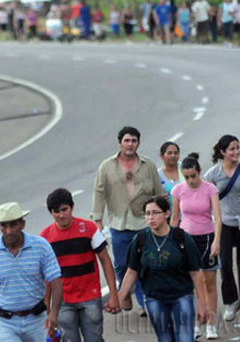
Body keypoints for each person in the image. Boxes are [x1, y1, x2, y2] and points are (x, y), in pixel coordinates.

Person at [91, 126, 162, 316]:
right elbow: (99, 192)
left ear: (138, 143)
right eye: (127, 140)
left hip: (144, 223)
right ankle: (125, 291)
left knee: (144, 263)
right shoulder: (107, 166)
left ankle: (143, 302)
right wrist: (98, 221)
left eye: (134, 141)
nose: (130, 144)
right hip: (119, 223)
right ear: (119, 143)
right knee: (122, 264)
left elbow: (157, 194)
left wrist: (161, 218)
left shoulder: (148, 165)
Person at [118, 196, 208, 342]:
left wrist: (203, 305)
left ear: (167, 213)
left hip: (182, 296)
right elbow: (131, 271)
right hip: (154, 298)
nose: (150, 217)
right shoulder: (140, 240)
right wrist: (119, 297)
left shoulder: (182, 238)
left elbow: (196, 273)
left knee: (185, 339)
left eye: (155, 213)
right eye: (147, 214)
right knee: (165, 339)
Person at [41, 189, 120, 342]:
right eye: (56, 211)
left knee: (95, 339)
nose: (61, 215)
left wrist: (113, 295)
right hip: (63, 302)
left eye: (65, 209)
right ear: (51, 212)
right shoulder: (45, 237)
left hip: (90, 297)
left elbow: (105, 260)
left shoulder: (89, 229)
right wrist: (48, 309)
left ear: (72, 207)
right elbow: (46, 276)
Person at [0, 202, 62, 342]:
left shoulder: (41, 247)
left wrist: (54, 313)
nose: (8, 231)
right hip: (5, 323)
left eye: (13, 225)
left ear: (22, 224)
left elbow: (56, 281)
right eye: (4, 225)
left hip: (36, 320)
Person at [204, 135, 240, 324]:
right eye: (231, 149)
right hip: (224, 225)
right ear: (223, 152)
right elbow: (208, 200)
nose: (236, 152)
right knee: (225, 264)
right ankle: (231, 301)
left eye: (237, 148)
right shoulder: (212, 174)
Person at [171, 154, 222, 339]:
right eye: (186, 177)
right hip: (186, 240)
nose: (190, 180)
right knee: (191, 285)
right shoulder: (178, 191)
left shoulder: (210, 189)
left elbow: (217, 218)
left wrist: (216, 241)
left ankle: (211, 323)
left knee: (209, 283)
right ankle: (195, 323)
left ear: (199, 172)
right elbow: (175, 219)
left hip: (207, 239)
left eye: (193, 176)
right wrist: (170, 242)